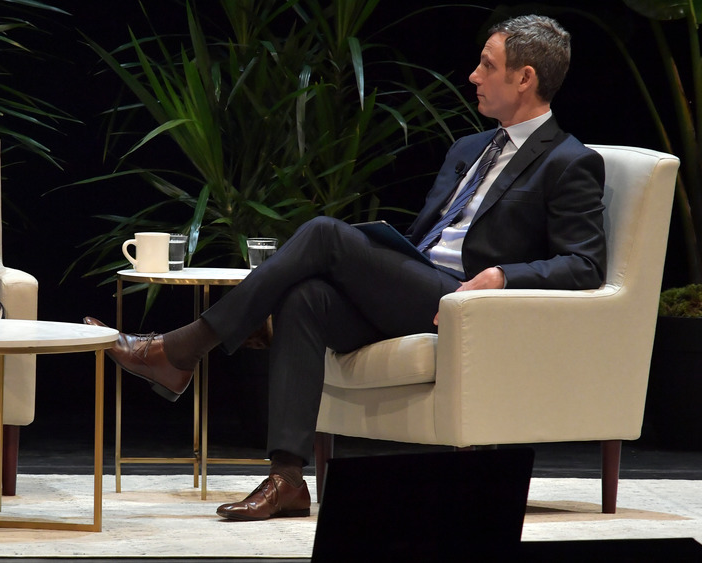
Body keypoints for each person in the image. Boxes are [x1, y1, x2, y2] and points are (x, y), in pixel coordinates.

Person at [85, 14, 607, 521]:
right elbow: (433, 235)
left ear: (525, 78)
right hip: (419, 286)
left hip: (465, 305)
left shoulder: (568, 161)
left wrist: (503, 277)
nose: (473, 75)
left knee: (324, 232)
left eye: (486, 65)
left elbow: (584, 263)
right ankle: (287, 477)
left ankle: (178, 349)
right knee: (304, 298)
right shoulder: (469, 148)